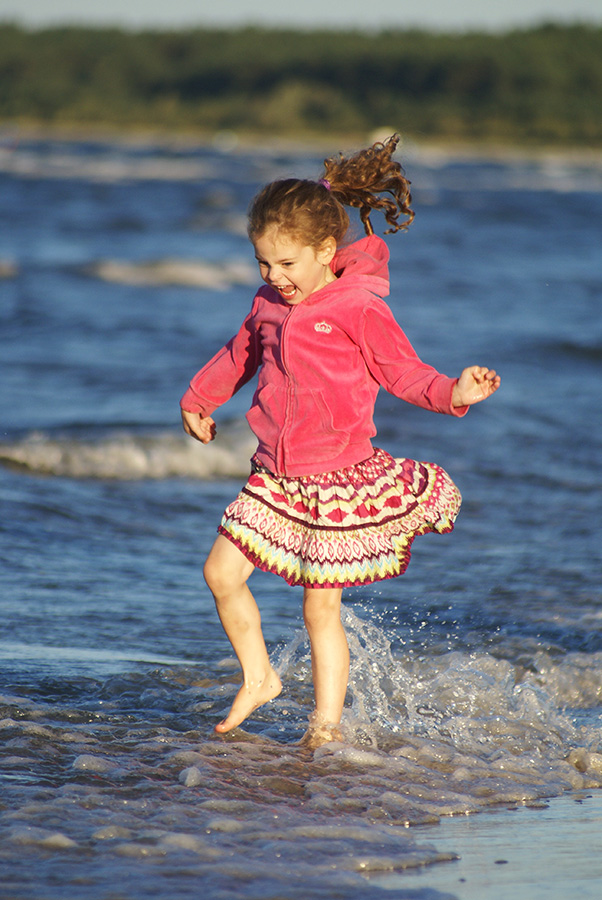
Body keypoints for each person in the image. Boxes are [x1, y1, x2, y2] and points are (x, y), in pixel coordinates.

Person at [180, 134, 500, 746]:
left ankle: (325, 727)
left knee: (319, 608)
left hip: (335, 477)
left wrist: (454, 392)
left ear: (327, 250)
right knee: (221, 573)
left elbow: (403, 372)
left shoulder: (357, 306)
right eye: (263, 265)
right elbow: (238, 354)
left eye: (287, 264)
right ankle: (260, 678)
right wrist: (198, 399)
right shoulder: (269, 303)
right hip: (273, 474)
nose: (275, 278)